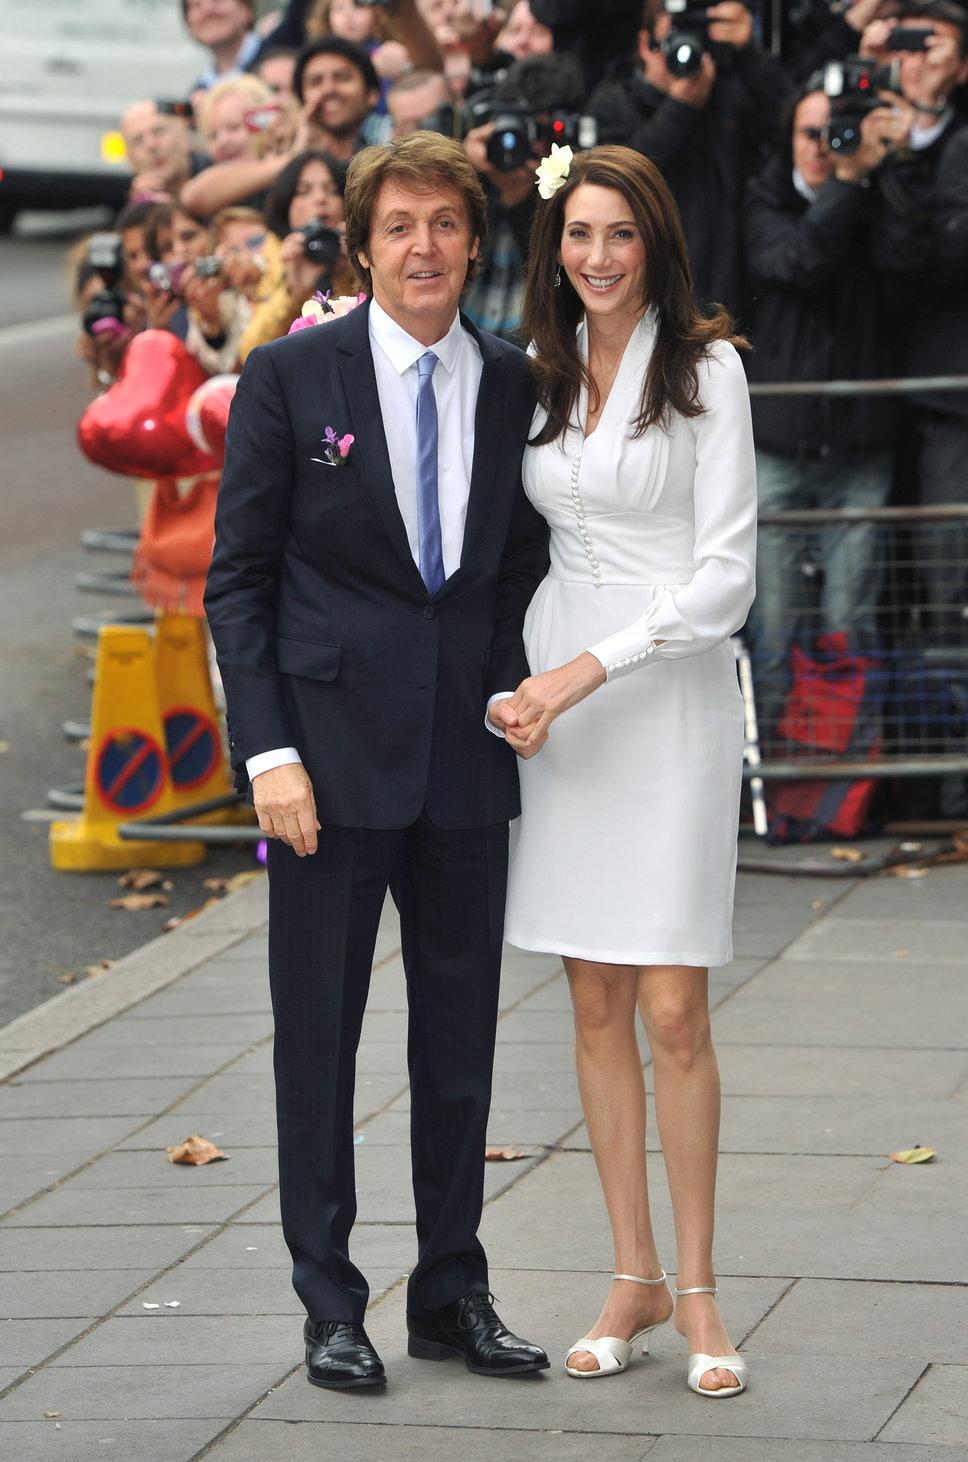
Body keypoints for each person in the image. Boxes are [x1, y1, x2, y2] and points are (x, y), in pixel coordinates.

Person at [204, 129, 551, 1390]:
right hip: (324, 769)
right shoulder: (292, 376)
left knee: (459, 1044)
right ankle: (329, 1299)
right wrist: (270, 752)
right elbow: (236, 583)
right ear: (363, 243)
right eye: (399, 224)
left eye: (445, 224)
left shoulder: (513, 379)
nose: (423, 247)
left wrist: (516, 687)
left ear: (473, 239)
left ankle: (451, 1290)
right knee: (319, 1042)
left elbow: (514, 570)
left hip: (464, 760)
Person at [494, 143, 757, 1395]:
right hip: (555, 707)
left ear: (654, 243)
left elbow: (723, 581)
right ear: (555, 247)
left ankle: (699, 1292)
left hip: (657, 698)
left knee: (670, 1006)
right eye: (578, 235)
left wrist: (584, 670)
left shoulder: (707, 371)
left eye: (619, 235)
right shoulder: (535, 374)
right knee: (591, 1000)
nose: (596, 258)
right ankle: (630, 1273)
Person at [741, 80, 922, 742]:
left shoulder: (879, 193)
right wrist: (850, 184)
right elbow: (798, 261)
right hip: (779, 446)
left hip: (858, 450)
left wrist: (889, 171)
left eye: (835, 132)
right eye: (809, 134)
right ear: (788, 138)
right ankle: (778, 776)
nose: (824, 148)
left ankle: (845, 789)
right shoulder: (764, 197)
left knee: (854, 620)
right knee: (775, 623)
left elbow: (912, 258)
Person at [587, 2, 792, 314]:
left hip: (729, 290)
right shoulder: (613, 101)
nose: (684, 50)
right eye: (673, 38)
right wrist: (681, 106)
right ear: (645, 44)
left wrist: (750, 55)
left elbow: (794, 129)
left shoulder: (729, 97)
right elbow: (623, 178)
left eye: (693, 37)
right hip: (644, 295)